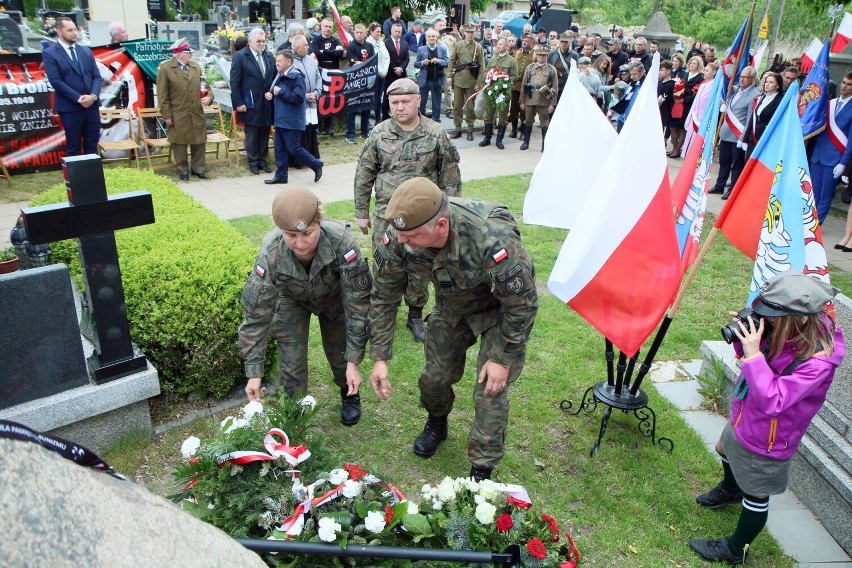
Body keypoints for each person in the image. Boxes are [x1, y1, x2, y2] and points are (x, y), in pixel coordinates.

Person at [367, 177, 538, 481]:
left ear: (441, 226)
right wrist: (380, 355)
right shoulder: (400, 235)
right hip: (453, 306)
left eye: (412, 236)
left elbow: (522, 304)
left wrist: (502, 358)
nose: (402, 241)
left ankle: (482, 467)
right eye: (400, 234)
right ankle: (437, 422)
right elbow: (384, 295)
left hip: (500, 312)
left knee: (490, 389)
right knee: (435, 378)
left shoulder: (492, 239)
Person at [689, 271, 844, 564]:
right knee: (725, 448)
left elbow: (774, 400)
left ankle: (734, 550)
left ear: (798, 318)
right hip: (746, 414)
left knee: (757, 495)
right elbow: (755, 359)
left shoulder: (818, 361)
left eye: (772, 316)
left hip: (770, 437)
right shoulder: (790, 329)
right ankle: (731, 489)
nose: (767, 319)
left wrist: (752, 352)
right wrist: (744, 338)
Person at [239, 187, 370, 426]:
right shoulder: (271, 253)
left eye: (307, 233)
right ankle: (294, 407)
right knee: (291, 360)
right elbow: (256, 317)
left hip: (334, 297)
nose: (300, 244)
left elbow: (358, 305)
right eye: (290, 235)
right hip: (291, 299)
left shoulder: (342, 242)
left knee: (339, 350)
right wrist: (254, 373)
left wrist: (353, 361)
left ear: (319, 222)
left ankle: (348, 392)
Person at [353, 78, 461, 342]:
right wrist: (361, 212)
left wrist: (451, 213)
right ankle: (380, 317)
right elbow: (364, 173)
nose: (400, 107)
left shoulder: (436, 133)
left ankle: (415, 313)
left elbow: (450, 177)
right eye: (394, 103)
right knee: (383, 266)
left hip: (424, 219)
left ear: (418, 101)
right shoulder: (378, 133)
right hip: (386, 217)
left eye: (405, 102)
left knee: (420, 268)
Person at [42, 17, 102, 157]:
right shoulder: (50, 53)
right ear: (59, 31)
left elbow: (97, 77)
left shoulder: (85, 51)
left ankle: (92, 178)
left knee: (92, 144)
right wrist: (79, 98)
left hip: (91, 106)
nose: (74, 33)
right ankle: (75, 179)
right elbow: (56, 81)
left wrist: (93, 96)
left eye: (75, 29)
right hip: (70, 108)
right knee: (73, 146)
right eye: (70, 30)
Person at [156, 37, 213, 181]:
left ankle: (198, 168)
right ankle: (183, 170)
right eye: (188, 52)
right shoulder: (166, 68)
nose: (191, 54)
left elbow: (206, 87)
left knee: (199, 141)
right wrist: (167, 115)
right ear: (178, 53)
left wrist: (209, 98)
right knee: (180, 143)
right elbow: (162, 95)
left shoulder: (195, 67)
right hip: (178, 113)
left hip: (196, 112)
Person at [265, 49, 323, 185]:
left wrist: (281, 92)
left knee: (294, 148)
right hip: (281, 118)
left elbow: (298, 98)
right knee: (279, 148)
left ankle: (315, 164)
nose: (277, 63)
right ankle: (281, 175)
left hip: (292, 119)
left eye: (279, 61)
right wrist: (272, 94)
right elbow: (277, 92)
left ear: (288, 62)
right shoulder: (280, 75)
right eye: (276, 61)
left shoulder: (296, 77)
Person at [230, 27, 276, 175]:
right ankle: (253, 161)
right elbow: (235, 81)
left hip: (266, 102)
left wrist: (272, 93)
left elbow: (274, 77)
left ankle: (262, 160)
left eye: (263, 41)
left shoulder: (268, 56)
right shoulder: (241, 56)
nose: (262, 44)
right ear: (250, 41)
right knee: (252, 133)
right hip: (249, 102)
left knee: (264, 131)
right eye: (258, 41)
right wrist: (238, 103)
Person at [809, 71, 852, 223]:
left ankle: (816, 224)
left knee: (825, 194)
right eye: (844, 83)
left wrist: (843, 163)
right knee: (813, 192)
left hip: (835, 157)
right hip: (818, 154)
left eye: (849, 84)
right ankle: (808, 220)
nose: (845, 87)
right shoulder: (830, 103)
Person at [710, 66, 757, 198]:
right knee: (724, 161)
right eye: (741, 77)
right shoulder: (736, 91)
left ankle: (732, 190)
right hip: (726, 133)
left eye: (745, 77)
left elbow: (749, 119)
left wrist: (744, 137)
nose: (741, 80)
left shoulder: (755, 94)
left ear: (752, 79)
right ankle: (720, 185)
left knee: (736, 165)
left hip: (738, 136)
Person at [479, 38, 519, 149]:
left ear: (507, 46)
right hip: (491, 91)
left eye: (501, 44)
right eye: (497, 44)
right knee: (489, 114)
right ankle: (487, 137)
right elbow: (486, 72)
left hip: (503, 92)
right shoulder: (492, 59)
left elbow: (515, 76)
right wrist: (485, 82)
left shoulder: (511, 61)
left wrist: (505, 82)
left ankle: (499, 140)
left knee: (502, 116)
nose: (498, 46)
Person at [448, 24, 485, 141]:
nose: (470, 34)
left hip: (471, 81)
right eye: (468, 32)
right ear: (464, 33)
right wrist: (449, 75)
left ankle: (470, 129)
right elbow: (452, 61)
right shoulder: (458, 45)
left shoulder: (478, 47)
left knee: (470, 107)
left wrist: (479, 82)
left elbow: (482, 67)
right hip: (459, 79)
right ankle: (457, 128)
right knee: (457, 106)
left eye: (472, 32)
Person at [519, 45, 558, 151]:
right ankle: (525, 142)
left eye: (544, 55)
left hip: (544, 100)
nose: (541, 57)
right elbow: (524, 85)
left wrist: (552, 104)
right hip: (530, 98)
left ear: (547, 56)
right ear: (536, 55)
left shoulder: (551, 69)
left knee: (544, 122)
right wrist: (522, 101)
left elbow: (555, 87)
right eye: (539, 55)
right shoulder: (530, 67)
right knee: (528, 121)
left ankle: (544, 145)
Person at [291, 35, 323, 161]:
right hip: (299, 103)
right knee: (301, 132)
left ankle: (313, 155)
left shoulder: (311, 60)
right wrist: (304, 96)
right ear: (297, 48)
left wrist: (316, 93)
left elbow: (318, 78)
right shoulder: (291, 62)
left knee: (311, 130)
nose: (307, 46)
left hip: (312, 101)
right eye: (305, 45)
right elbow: (289, 85)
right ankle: (300, 159)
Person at [311, 19, 344, 136]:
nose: (328, 29)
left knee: (331, 100)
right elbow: (315, 53)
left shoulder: (335, 40)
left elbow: (339, 54)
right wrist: (331, 52)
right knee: (320, 99)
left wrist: (324, 51)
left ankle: (328, 127)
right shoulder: (316, 40)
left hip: (333, 74)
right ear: (321, 27)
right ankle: (319, 126)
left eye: (330, 27)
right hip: (319, 74)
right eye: (325, 26)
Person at [741, 72, 782, 160]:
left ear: (778, 85)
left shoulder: (780, 102)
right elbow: (752, 119)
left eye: (771, 82)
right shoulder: (761, 98)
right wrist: (745, 139)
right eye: (766, 82)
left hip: (766, 140)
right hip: (753, 139)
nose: (767, 84)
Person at [345, 24, 375, 144]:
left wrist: (363, 63)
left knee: (366, 106)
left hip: (367, 80)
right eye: (357, 32)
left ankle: (365, 130)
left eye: (361, 32)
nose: (359, 35)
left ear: (365, 33)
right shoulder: (352, 46)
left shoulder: (370, 46)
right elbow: (353, 63)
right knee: (353, 107)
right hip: (355, 81)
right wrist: (364, 63)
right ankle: (350, 133)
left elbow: (372, 61)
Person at [681, 61, 719, 157]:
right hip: (695, 117)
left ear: (714, 72)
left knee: (699, 145)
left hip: (704, 120)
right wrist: (689, 118)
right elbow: (695, 103)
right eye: (704, 70)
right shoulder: (702, 85)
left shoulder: (715, 86)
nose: (704, 72)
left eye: (707, 70)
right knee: (689, 144)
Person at [414, 28, 449, 122]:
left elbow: (447, 62)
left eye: (433, 36)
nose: (431, 38)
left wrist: (439, 61)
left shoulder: (442, 48)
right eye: (429, 36)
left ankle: (436, 121)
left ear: (436, 37)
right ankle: (420, 121)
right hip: (424, 80)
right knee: (422, 102)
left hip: (437, 79)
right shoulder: (421, 49)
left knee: (437, 102)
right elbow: (416, 63)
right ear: (426, 38)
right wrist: (422, 62)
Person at [509, 33, 535, 139]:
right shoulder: (518, 52)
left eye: (527, 41)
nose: (524, 42)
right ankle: (514, 131)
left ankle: (523, 132)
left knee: (525, 111)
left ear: (532, 43)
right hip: (515, 86)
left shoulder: (534, 55)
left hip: (526, 87)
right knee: (514, 110)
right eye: (523, 40)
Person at [383, 22, 410, 121]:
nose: (398, 33)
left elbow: (407, 58)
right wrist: (395, 69)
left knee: (401, 95)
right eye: (396, 31)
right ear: (391, 31)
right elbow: (386, 58)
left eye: (399, 32)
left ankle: (400, 115)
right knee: (388, 95)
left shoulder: (404, 43)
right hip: (390, 74)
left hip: (401, 74)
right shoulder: (386, 43)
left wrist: (401, 68)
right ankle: (385, 116)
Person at [367, 23, 390, 124]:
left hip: (382, 74)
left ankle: (377, 118)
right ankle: (366, 119)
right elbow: (372, 59)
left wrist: (385, 70)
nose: (379, 33)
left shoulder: (381, 42)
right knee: (369, 96)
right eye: (377, 31)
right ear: (371, 31)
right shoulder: (368, 43)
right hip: (372, 74)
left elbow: (386, 57)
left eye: (380, 31)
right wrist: (380, 70)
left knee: (379, 97)